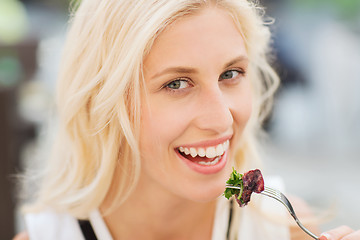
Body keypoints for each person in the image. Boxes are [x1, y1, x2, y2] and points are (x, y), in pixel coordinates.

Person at [14, 0, 360, 239]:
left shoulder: (286, 230)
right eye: (177, 83)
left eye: (231, 73)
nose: (221, 119)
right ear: (105, 101)